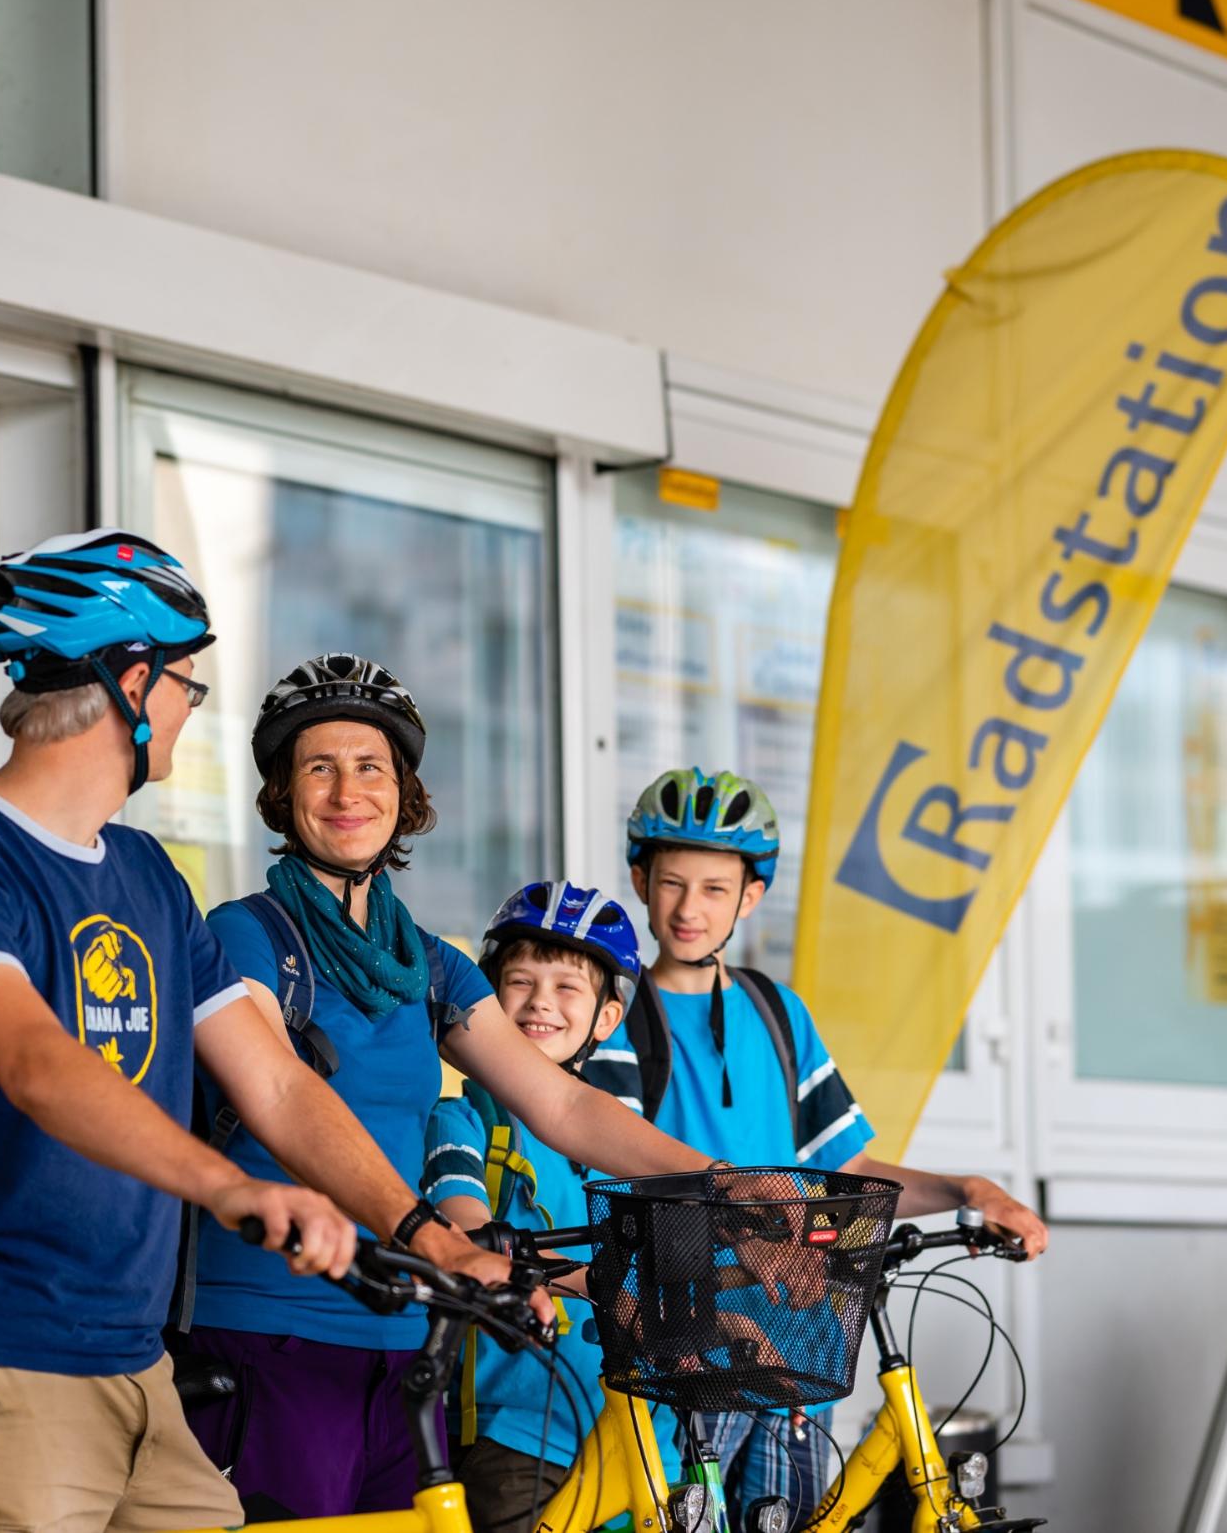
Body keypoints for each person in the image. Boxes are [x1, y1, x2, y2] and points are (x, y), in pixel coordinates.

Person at [0, 535, 516, 1533]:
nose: (187, 715)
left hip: (128, 1358)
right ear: (133, 680)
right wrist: (231, 1184)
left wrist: (417, 1233)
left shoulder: (148, 875)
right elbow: (35, 1063)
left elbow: (277, 1087)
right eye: (187, 689)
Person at [178, 654, 719, 1520]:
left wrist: (719, 1185)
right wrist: (434, 1235)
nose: (346, 790)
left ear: (404, 793)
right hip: (273, 1333)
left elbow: (562, 1101)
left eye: (371, 767)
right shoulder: (247, 936)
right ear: (284, 792)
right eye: (319, 767)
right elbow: (277, 1090)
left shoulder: (428, 963)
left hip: (407, 1344)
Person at [590, 768, 1052, 1526]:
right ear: (640, 880)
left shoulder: (778, 1012)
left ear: (751, 896)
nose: (688, 907)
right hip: (688, 1344)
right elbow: (608, 1161)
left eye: (714, 887)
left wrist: (972, 1189)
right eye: (671, 882)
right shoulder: (620, 1014)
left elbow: (851, 1168)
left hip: (798, 1339)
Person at [422, 880, 682, 1533]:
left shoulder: (618, 1140)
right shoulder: (467, 1118)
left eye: (567, 986)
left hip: (642, 1427)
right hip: (521, 1436)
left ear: (606, 1018)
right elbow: (466, 1226)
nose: (541, 1001)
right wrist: (600, 1282)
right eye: (519, 981)